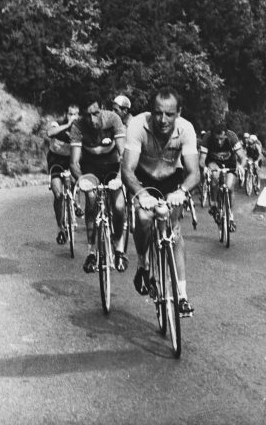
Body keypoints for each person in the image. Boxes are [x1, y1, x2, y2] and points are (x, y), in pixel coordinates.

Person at [121, 87, 200, 316]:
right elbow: (127, 169)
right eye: (157, 113)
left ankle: (182, 296)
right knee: (144, 219)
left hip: (171, 180)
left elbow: (194, 172)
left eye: (169, 114)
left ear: (178, 113)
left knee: (173, 230)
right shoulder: (137, 125)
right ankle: (143, 264)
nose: (162, 120)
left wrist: (182, 191)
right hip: (143, 179)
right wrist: (142, 194)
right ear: (151, 111)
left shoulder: (186, 129)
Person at [70, 99, 128, 274]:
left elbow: (123, 154)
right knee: (92, 199)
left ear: (101, 109)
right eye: (87, 115)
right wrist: (81, 181)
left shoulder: (113, 119)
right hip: (91, 169)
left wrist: (119, 177)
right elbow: (74, 162)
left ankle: (118, 248)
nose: (92, 119)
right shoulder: (78, 126)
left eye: (95, 113)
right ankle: (92, 252)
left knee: (118, 206)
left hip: (112, 167)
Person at [200, 123, 246, 232]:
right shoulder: (207, 138)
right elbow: (202, 160)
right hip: (213, 162)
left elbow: (242, 157)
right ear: (213, 135)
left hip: (230, 162)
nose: (219, 142)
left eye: (222, 138)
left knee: (229, 188)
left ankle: (230, 215)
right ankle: (214, 205)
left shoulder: (232, 137)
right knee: (215, 177)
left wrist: (241, 166)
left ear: (226, 135)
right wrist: (205, 168)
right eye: (217, 139)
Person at [47, 104, 81, 245]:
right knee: (58, 194)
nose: (73, 117)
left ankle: (76, 204)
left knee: (76, 181)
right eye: (70, 114)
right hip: (55, 160)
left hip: (70, 160)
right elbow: (50, 133)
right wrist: (67, 125)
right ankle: (60, 228)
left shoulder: (80, 128)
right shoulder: (58, 123)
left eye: (75, 114)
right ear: (65, 114)